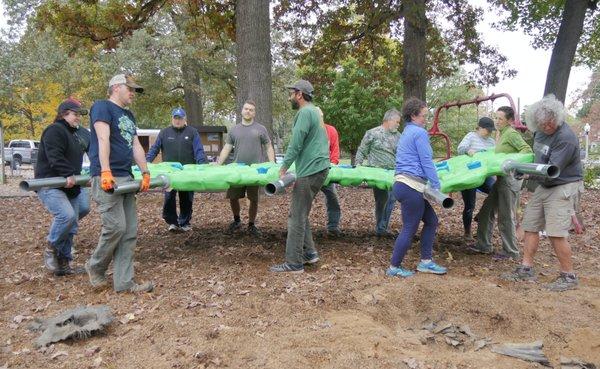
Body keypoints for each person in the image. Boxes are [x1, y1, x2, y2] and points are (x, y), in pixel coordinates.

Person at [502, 95, 583, 291]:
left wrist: (527, 174)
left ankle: (568, 276)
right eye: (542, 124)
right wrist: (523, 168)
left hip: (563, 184)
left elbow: (551, 172)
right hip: (544, 184)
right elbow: (538, 161)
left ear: (557, 119)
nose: (546, 127)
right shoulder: (539, 132)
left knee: (555, 232)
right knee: (530, 225)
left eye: (549, 124)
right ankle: (526, 269)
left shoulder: (566, 138)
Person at [85, 73, 154, 293]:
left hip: (126, 176)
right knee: (115, 227)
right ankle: (95, 266)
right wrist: (105, 171)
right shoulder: (102, 107)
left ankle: (124, 283)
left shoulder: (129, 115)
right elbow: (103, 138)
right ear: (116, 87)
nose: (133, 93)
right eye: (130, 89)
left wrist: (145, 172)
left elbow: (135, 145)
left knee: (129, 231)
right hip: (108, 176)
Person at [270, 80, 330, 273]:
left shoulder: (304, 113)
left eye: (292, 93)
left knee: (296, 216)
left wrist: (284, 166)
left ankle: (293, 263)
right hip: (319, 169)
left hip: (310, 170)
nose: (290, 97)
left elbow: (296, 143)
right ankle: (310, 253)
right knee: (301, 212)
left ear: (299, 94)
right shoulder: (315, 112)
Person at [386, 97, 447, 277]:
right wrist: (436, 185)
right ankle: (394, 268)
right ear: (413, 115)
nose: (425, 119)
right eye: (423, 116)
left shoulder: (407, 131)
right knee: (409, 228)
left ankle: (426, 262)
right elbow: (426, 160)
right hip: (410, 186)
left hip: (404, 185)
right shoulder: (419, 133)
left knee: (431, 221)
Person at [468, 106, 532, 259]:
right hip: (500, 179)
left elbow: (527, 150)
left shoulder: (511, 134)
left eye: (500, 119)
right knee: (486, 212)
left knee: (505, 217)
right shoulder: (501, 134)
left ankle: (511, 252)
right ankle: (483, 245)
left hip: (509, 180)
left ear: (509, 121)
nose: (497, 121)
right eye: (496, 118)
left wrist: (511, 163)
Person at [35, 98, 89, 276]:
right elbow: (54, 156)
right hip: (50, 183)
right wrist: (68, 173)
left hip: (69, 185)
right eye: (75, 114)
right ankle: (51, 247)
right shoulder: (54, 130)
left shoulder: (75, 134)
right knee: (66, 216)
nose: (78, 118)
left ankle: (64, 264)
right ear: (64, 113)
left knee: (72, 223)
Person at [215, 100, 275, 236]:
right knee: (233, 197)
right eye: (246, 109)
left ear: (254, 113)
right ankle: (236, 220)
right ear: (242, 110)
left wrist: (272, 163)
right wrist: (218, 163)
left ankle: (251, 225)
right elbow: (227, 147)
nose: (248, 111)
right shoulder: (234, 130)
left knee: (253, 199)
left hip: (255, 171)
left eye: (251, 110)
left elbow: (268, 146)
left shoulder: (261, 129)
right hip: (237, 170)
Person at [146, 107, 206, 232]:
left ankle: (184, 222)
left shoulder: (192, 132)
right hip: (169, 173)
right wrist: (146, 163)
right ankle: (172, 222)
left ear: (185, 119)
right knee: (169, 198)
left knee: (187, 198)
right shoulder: (164, 133)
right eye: (176, 118)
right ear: (172, 119)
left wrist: (203, 165)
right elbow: (154, 149)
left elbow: (199, 150)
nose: (178, 121)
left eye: (180, 118)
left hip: (187, 172)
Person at [355, 109, 402, 237]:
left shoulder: (399, 136)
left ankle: (382, 228)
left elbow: (401, 154)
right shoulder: (372, 133)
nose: (398, 124)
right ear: (388, 120)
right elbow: (362, 151)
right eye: (397, 122)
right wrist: (358, 167)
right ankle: (380, 227)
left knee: (392, 199)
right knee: (382, 199)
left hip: (393, 173)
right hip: (377, 174)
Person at [456, 117, 496, 241]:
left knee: (497, 191)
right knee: (470, 205)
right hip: (469, 176)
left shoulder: (491, 142)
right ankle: (467, 231)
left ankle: (482, 214)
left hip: (484, 175)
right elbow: (460, 149)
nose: (489, 132)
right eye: (487, 130)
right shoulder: (471, 136)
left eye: (491, 130)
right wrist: (468, 150)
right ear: (480, 128)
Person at [316, 107, 342, 237]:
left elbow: (335, 151)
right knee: (303, 200)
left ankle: (333, 226)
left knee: (333, 198)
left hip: (326, 171)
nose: (318, 119)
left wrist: (332, 164)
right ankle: (300, 226)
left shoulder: (331, 130)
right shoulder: (307, 131)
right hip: (309, 172)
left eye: (320, 116)